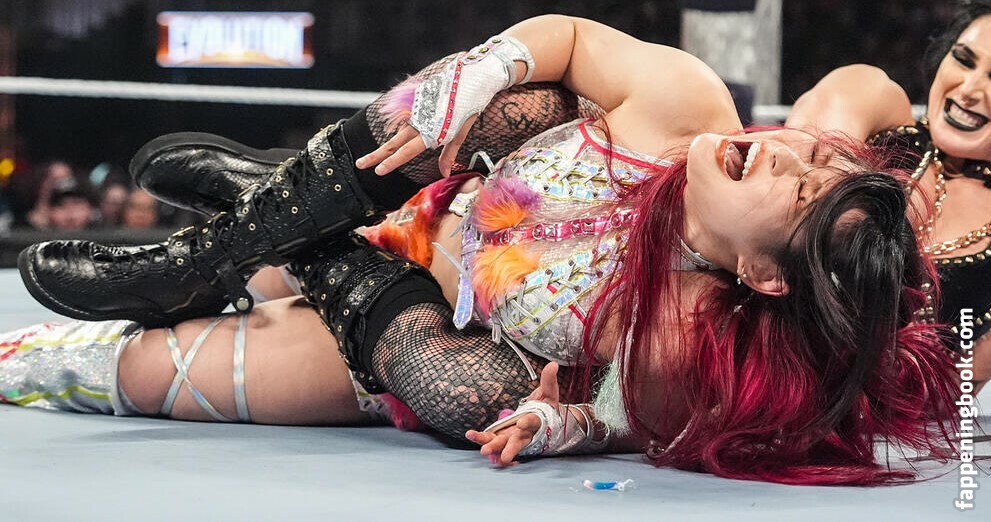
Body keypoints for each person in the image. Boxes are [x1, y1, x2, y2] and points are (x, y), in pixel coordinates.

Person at [4, 15, 958, 485]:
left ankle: (269, 207)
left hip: (395, 325)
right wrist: (484, 67)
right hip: (423, 191)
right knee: (520, 100)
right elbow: (568, 36)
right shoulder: (687, 104)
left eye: (801, 192)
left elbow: (632, 418)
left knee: (471, 393)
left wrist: (563, 421)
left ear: (763, 275)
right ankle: (208, 255)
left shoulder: (686, 326)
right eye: (811, 158)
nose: (786, 153)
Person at [786, 0, 991, 391]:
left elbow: (947, 393)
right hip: (760, 368)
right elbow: (790, 202)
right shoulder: (879, 108)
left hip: (874, 420)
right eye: (963, 60)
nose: (968, 90)